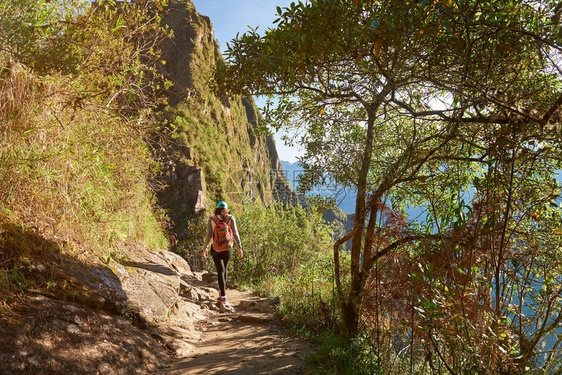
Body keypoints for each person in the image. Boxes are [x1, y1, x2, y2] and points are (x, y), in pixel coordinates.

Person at [202, 201, 243, 303]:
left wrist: (205, 248)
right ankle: (223, 292)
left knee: (220, 270)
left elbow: (209, 235)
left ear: (217, 208)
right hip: (228, 248)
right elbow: (235, 233)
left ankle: (222, 295)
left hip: (215, 248)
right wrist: (239, 247)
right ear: (226, 209)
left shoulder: (212, 219)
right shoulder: (230, 218)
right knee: (224, 268)